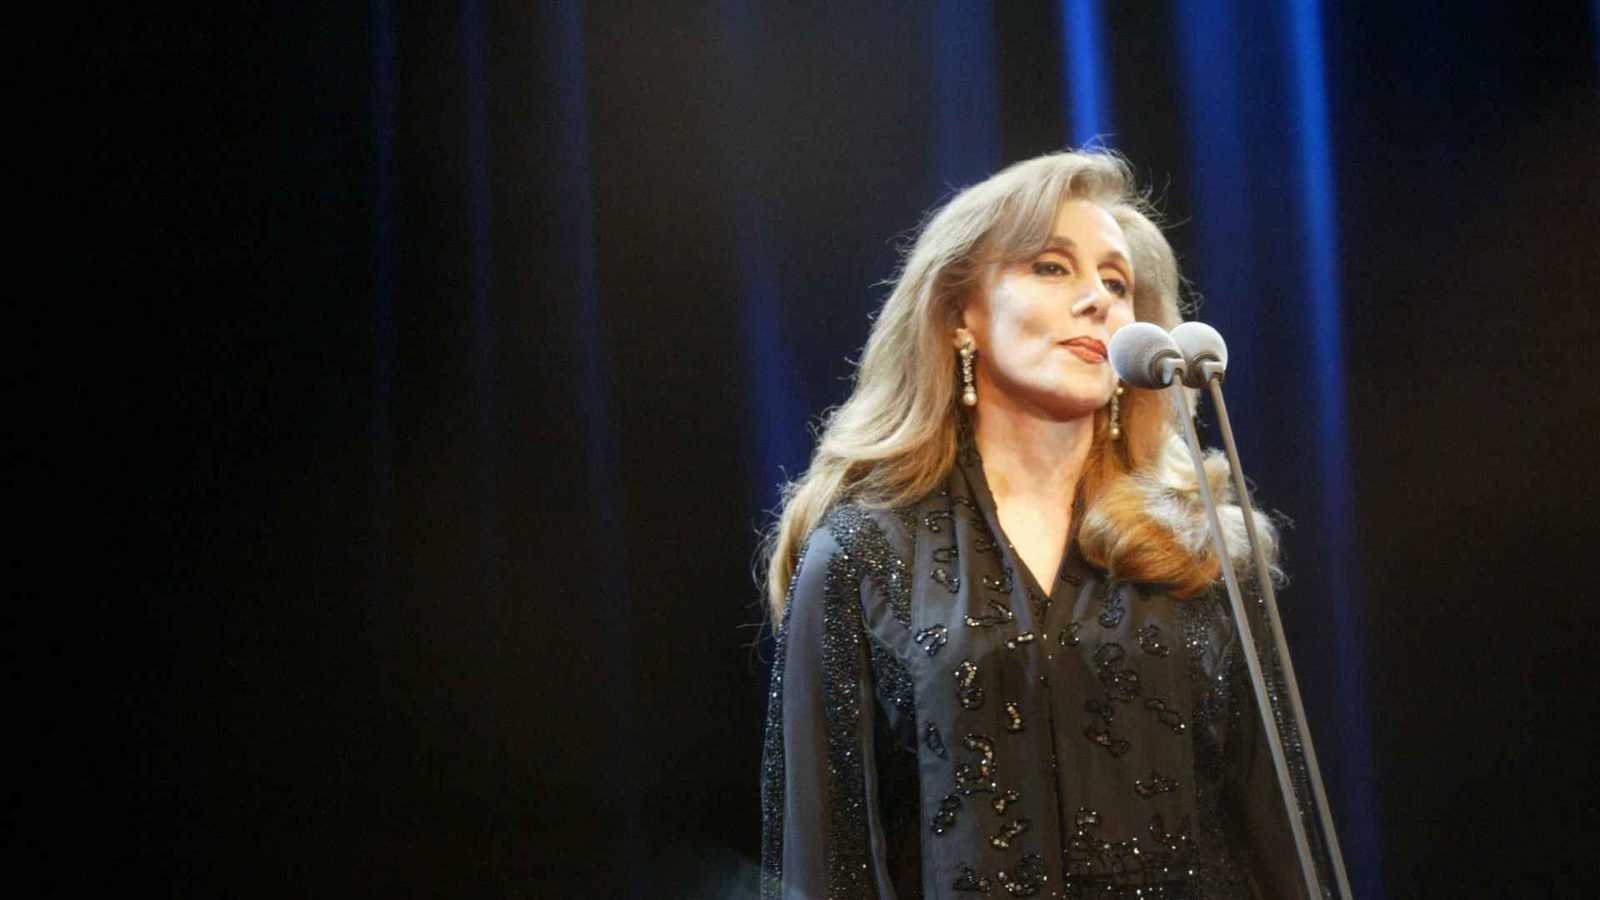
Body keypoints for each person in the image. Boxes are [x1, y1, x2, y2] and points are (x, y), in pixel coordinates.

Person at [756, 149, 1335, 899]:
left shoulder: (1197, 543)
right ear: (960, 316)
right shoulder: (863, 551)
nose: (1097, 300)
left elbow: (1275, 827)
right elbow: (827, 859)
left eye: (1117, 283)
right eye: (1052, 267)